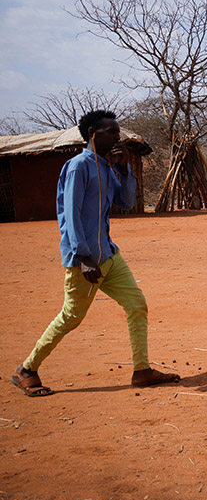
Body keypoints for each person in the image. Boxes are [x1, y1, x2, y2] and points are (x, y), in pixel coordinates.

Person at [10, 110, 179, 396]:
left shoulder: (108, 167)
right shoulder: (78, 166)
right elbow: (70, 216)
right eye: (112, 132)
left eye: (118, 131)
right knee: (71, 317)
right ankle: (26, 369)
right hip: (85, 261)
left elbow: (126, 202)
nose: (118, 136)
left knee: (137, 304)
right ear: (93, 134)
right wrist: (84, 256)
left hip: (110, 257)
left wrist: (124, 169)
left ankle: (141, 370)